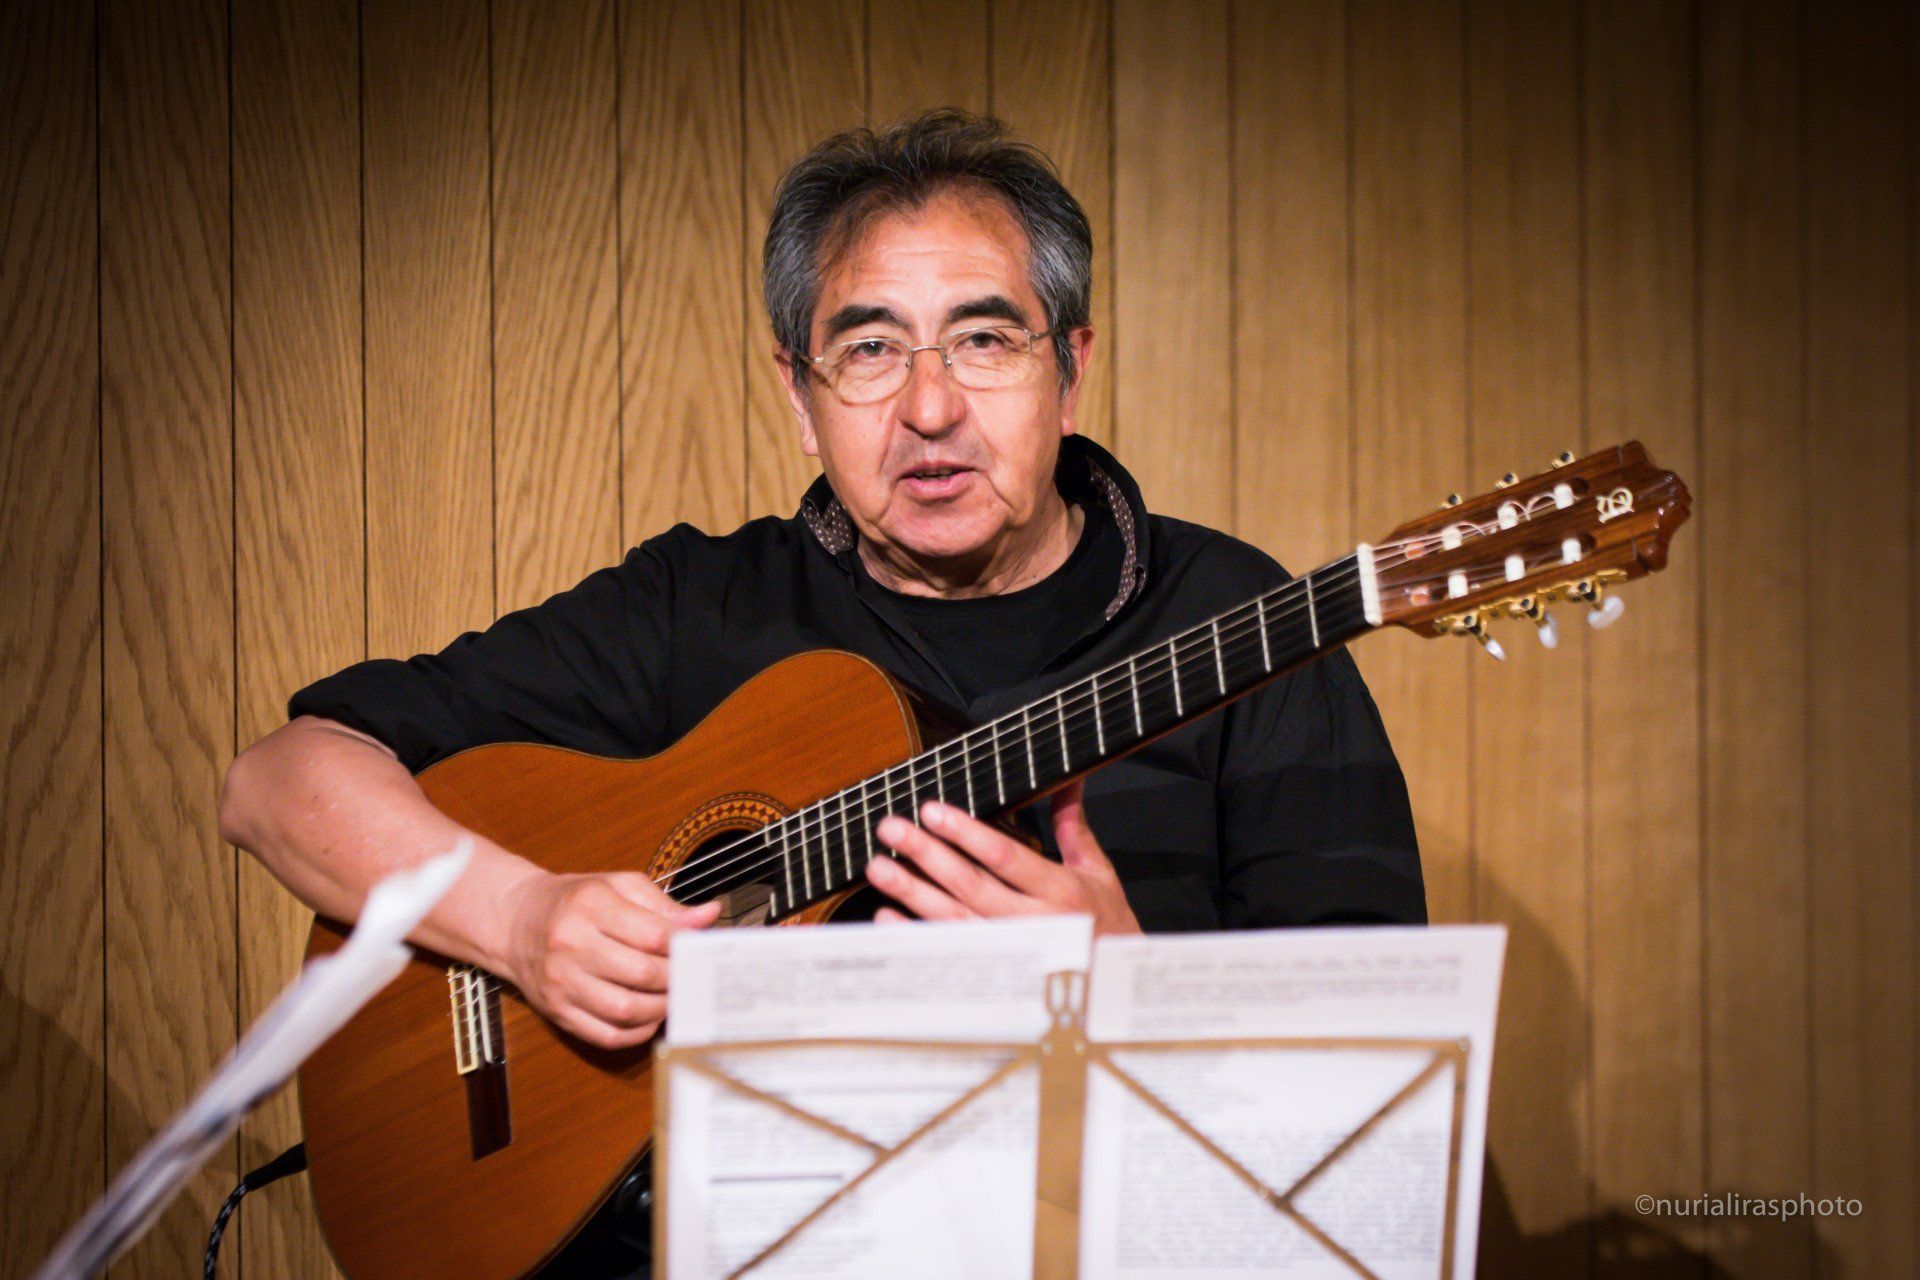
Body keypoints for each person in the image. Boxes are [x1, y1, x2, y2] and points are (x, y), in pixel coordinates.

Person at [219, 109, 1424, 1275]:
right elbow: (278, 782)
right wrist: (522, 921)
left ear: (1070, 369)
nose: (930, 408)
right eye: (870, 350)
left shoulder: (1240, 623)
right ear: (800, 397)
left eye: (985, 340)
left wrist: (1131, 1004)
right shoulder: (700, 605)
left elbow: (1379, 1147)